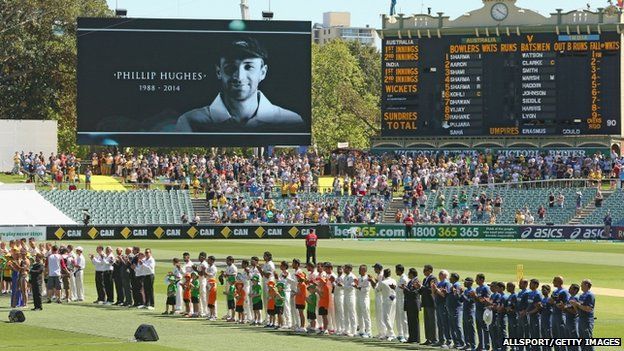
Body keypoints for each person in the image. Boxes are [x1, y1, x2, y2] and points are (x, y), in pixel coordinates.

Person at [175, 37, 304, 132]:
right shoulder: (190, 121)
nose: (239, 76)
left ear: (263, 72)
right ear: (219, 72)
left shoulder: (290, 120)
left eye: (248, 67)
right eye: (230, 67)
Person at [571, 279, 595, 351]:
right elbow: (579, 309)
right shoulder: (581, 295)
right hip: (580, 319)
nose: (581, 286)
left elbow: (589, 309)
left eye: (582, 284)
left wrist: (577, 304)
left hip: (587, 320)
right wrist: (574, 305)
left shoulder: (590, 295)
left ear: (587, 285)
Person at [549, 276, 569, 351]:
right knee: (555, 336)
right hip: (554, 315)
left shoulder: (564, 291)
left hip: (560, 316)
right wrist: (555, 303)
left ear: (559, 282)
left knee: (562, 336)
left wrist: (555, 303)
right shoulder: (555, 291)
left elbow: (564, 304)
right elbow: (550, 301)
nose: (553, 282)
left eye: (554, 281)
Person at [420, 264, 438, 346]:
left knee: (432, 322)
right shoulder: (425, 279)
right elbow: (423, 291)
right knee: (427, 322)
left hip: (431, 303)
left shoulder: (433, 279)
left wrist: (422, 287)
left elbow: (431, 289)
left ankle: (434, 339)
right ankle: (428, 339)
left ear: (430, 270)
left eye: (426, 270)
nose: (424, 272)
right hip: (426, 303)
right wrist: (419, 287)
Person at [432, 270, 451, 348]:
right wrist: (433, 289)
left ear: (445, 275)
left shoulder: (446, 283)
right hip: (438, 304)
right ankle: (441, 340)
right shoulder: (439, 283)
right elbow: (434, 294)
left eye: (441, 274)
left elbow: (444, 295)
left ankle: (448, 341)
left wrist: (436, 289)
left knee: (445, 323)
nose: (439, 275)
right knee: (439, 323)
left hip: (443, 305)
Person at [473, 273, 491, 351]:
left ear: (482, 280)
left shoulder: (485, 288)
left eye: (477, 279)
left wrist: (476, 296)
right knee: (479, 328)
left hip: (483, 311)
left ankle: (486, 346)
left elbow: (486, 301)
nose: (475, 280)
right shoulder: (477, 289)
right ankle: (480, 345)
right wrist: (473, 297)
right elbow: (476, 300)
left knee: (485, 328)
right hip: (477, 310)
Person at [404, 268, 422, 344]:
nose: (408, 275)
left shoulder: (416, 281)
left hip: (414, 304)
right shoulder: (410, 281)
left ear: (412, 274)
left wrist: (405, 289)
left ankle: (416, 339)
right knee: (410, 321)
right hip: (410, 304)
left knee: (415, 322)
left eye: (409, 273)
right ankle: (411, 338)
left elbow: (415, 293)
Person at [379, 268, 397, 341]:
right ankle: (388, 334)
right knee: (391, 317)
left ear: (384, 274)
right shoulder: (394, 280)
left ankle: (392, 334)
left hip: (387, 301)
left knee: (385, 318)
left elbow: (377, 289)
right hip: (393, 299)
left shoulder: (383, 282)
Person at [447, 273, 465, 349]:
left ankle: (461, 343)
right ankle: (456, 343)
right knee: (452, 326)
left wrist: (454, 292)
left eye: (451, 277)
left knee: (457, 326)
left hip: (456, 308)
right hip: (452, 308)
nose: (449, 278)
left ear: (454, 278)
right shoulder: (453, 285)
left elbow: (458, 297)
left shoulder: (456, 285)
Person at [356, 264, 372, 338]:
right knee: (359, 314)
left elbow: (367, 289)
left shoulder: (367, 278)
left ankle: (368, 332)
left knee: (366, 315)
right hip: (359, 297)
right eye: (359, 269)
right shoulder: (359, 277)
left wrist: (359, 288)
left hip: (365, 298)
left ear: (364, 270)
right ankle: (361, 331)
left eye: (360, 269)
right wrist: (358, 287)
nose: (359, 271)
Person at [563, 284, 581, 351]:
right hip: (568, 321)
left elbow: (576, 312)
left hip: (573, 322)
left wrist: (565, 308)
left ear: (575, 290)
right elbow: (567, 309)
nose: (569, 289)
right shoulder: (570, 298)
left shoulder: (576, 298)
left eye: (571, 288)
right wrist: (563, 308)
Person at [460, 277, 476, 351]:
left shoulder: (472, 291)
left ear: (470, 283)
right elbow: (461, 300)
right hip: (465, 311)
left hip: (470, 312)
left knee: (470, 329)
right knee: (465, 328)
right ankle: (467, 344)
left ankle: (472, 345)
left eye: (465, 282)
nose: (464, 283)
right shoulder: (466, 290)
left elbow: (470, 301)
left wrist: (463, 294)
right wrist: (460, 293)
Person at [526, 279, 542, 351]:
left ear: (536, 285)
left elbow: (538, 308)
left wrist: (529, 313)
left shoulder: (537, 294)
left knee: (536, 335)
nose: (529, 285)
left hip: (536, 317)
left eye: (531, 284)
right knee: (532, 334)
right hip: (531, 317)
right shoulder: (530, 293)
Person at [342, 264, 357, 337]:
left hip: (351, 296)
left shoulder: (352, 276)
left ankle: (353, 331)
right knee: (346, 313)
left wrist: (343, 286)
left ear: (349, 269)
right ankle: (346, 330)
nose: (344, 270)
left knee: (352, 313)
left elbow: (352, 287)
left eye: (345, 268)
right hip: (345, 296)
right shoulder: (345, 276)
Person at [395, 264, 409, 343]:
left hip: (403, 300)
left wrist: (396, 288)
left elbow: (404, 290)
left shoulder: (404, 278)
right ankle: (401, 334)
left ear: (399, 270)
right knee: (399, 317)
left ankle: (406, 335)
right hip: (399, 299)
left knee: (403, 318)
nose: (395, 271)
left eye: (396, 270)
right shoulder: (401, 278)